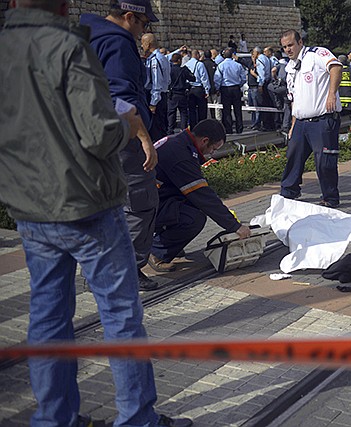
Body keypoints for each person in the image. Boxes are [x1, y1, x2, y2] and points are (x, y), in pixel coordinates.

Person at [0, 1, 192, 426]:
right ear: (64, 5)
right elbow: (98, 133)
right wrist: (129, 125)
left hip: (31, 207)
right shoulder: (68, 46)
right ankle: (138, 419)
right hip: (85, 204)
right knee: (120, 315)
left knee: (48, 319)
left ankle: (55, 418)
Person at [80, 0, 163, 291]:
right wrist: (144, 138)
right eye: (144, 24)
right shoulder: (117, 42)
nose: (144, 31)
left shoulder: (85, 34)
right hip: (121, 138)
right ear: (129, 17)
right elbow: (121, 97)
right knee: (140, 205)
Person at [150, 119, 251, 270]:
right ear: (205, 141)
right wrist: (234, 226)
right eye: (214, 148)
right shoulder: (181, 156)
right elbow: (203, 196)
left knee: (191, 204)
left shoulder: (178, 142)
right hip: (147, 204)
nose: (212, 153)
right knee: (194, 219)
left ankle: (168, 242)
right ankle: (156, 250)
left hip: (153, 195)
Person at [279, 29, 342, 208]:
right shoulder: (290, 66)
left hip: (322, 120)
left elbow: (336, 67)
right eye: (284, 47)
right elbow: (294, 98)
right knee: (293, 156)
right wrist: (293, 125)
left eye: (291, 45)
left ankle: (330, 198)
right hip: (300, 121)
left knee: (324, 162)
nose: (288, 49)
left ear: (300, 42)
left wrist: (331, 94)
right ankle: (288, 192)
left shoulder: (317, 54)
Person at [141, 33, 171, 141]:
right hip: (162, 95)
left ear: (148, 44)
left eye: (143, 43)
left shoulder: (155, 60)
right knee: (161, 127)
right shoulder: (162, 58)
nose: (142, 46)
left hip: (156, 97)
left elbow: (156, 82)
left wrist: (153, 103)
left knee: (155, 130)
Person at [214, 48, 246, 135]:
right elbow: (243, 78)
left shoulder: (221, 65)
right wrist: (239, 85)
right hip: (235, 88)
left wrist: (217, 88)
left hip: (225, 89)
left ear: (224, 56)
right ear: (232, 55)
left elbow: (217, 79)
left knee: (226, 110)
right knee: (238, 109)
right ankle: (239, 128)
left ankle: (229, 129)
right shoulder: (238, 65)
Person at [167, 53, 195, 135]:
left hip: (172, 94)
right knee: (183, 113)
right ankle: (183, 130)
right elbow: (193, 78)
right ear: (179, 60)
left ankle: (170, 130)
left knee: (171, 113)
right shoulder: (183, 70)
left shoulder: (170, 70)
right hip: (182, 93)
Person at [184, 49, 211, 127]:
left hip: (190, 89)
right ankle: (201, 126)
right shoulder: (200, 64)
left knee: (192, 109)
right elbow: (204, 78)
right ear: (196, 55)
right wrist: (207, 90)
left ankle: (193, 126)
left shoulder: (186, 64)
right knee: (202, 109)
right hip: (199, 89)